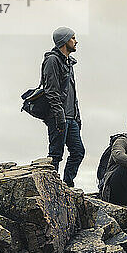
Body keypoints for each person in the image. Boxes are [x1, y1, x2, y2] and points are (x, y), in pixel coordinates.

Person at [42, 26, 85, 187]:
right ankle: (51, 187)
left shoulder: (69, 62)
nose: (76, 41)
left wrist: (77, 117)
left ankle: (67, 184)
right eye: (73, 38)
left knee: (78, 151)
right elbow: (51, 91)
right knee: (55, 154)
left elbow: (72, 93)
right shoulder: (52, 60)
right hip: (57, 116)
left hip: (71, 118)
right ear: (64, 40)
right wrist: (59, 117)